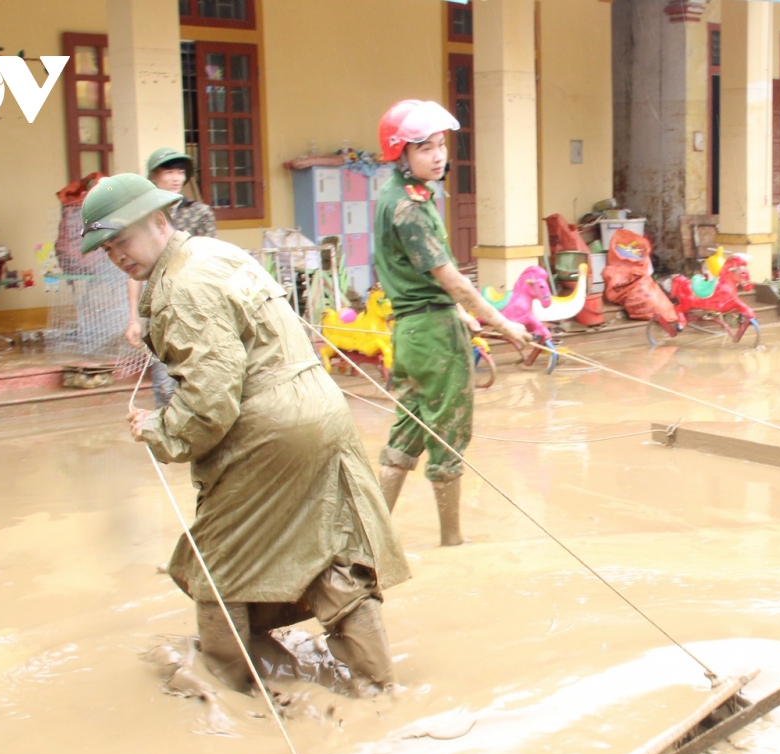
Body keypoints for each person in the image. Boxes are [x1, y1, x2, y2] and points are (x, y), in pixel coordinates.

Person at [84, 173, 410, 694]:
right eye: (107, 249)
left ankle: (229, 689)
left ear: (159, 221)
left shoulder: (181, 287)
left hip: (268, 427)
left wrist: (159, 428)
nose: (117, 255)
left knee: (217, 560)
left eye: (122, 239)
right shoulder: (217, 253)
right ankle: (380, 687)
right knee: (329, 544)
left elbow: (211, 402)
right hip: (321, 407)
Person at [372, 100, 529, 546]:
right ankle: (453, 543)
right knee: (448, 435)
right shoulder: (409, 208)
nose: (438, 156)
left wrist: (459, 312)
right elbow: (452, 280)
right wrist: (504, 325)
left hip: (411, 332)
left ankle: (371, 539)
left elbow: (420, 277)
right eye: (425, 148)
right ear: (401, 153)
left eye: (441, 146)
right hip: (435, 337)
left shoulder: (399, 196)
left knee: (406, 433)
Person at [123, 149, 217, 408]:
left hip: (195, 306)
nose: (176, 178)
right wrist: (133, 319)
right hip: (159, 309)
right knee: (165, 385)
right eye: (169, 172)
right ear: (154, 177)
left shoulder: (199, 213)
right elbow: (134, 272)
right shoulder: (141, 218)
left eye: (180, 172)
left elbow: (210, 258)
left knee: (200, 379)